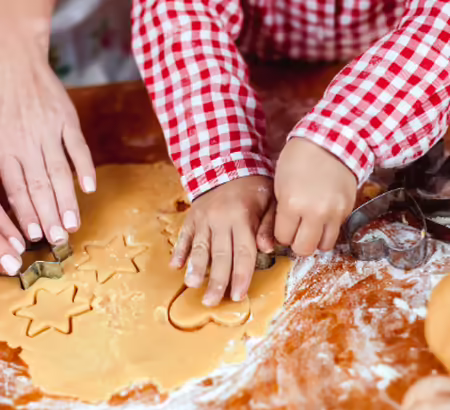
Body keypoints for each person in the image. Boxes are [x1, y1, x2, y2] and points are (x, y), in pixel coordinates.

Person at [0, 1, 449, 314]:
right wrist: (224, 163)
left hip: (390, 71)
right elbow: (179, 10)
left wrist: (347, 132)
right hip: (235, 61)